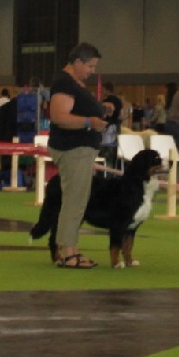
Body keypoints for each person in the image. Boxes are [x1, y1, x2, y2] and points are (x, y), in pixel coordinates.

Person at [48, 42, 110, 269]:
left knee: (77, 201)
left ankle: (70, 249)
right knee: (74, 201)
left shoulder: (73, 83)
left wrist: (100, 110)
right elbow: (59, 116)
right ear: (77, 62)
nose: (92, 71)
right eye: (90, 66)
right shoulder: (64, 83)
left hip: (80, 150)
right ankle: (66, 252)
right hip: (73, 150)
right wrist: (89, 122)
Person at [100, 82, 122, 169]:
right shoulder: (118, 101)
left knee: (105, 147)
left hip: (108, 126)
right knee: (113, 148)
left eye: (103, 89)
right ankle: (113, 167)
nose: (102, 91)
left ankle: (106, 169)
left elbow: (106, 114)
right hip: (116, 126)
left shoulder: (107, 101)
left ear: (106, 89)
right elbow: (121, 114)